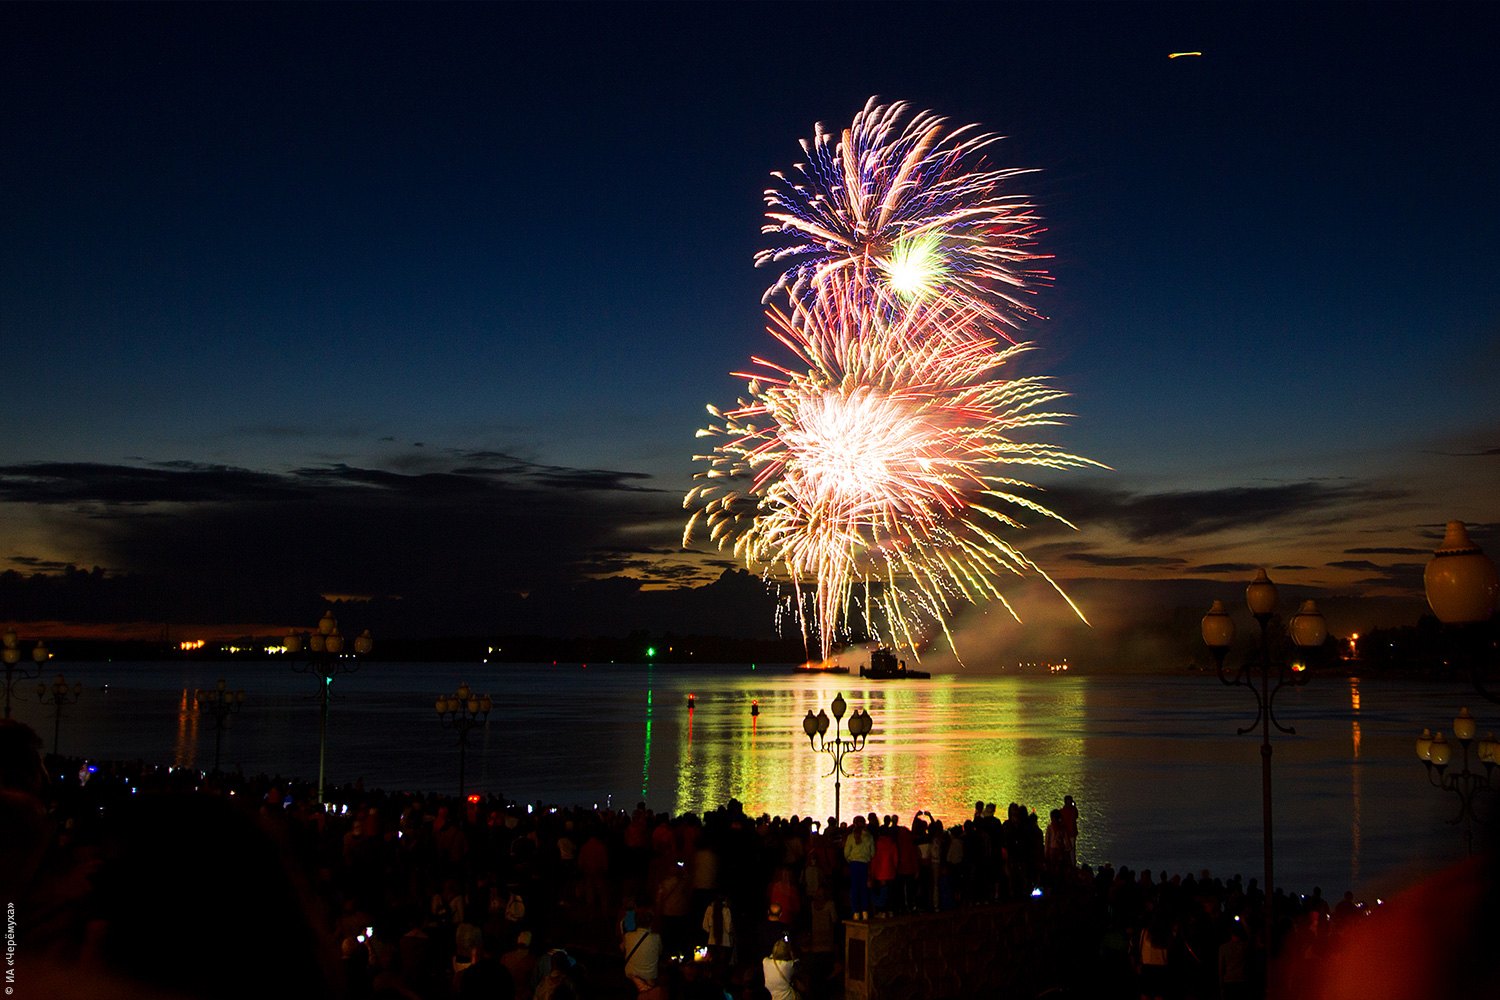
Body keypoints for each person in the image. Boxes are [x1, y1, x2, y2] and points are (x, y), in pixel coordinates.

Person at [622, 907, 663, 993]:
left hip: (630, 973)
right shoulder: (656, 937)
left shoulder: (628, 936)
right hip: (650, 975)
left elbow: (623, 948)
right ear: (651, 923)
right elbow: (659, 952)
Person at [843, 815, 874, 920]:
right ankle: (865, 912)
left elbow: (846, 852)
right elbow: (872, 852)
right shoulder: (869, 837)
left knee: (854, 889)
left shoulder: (851, 837)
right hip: (865, 864)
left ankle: (855, 912)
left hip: (854, 865)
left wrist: (850, 860)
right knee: (864, 888)